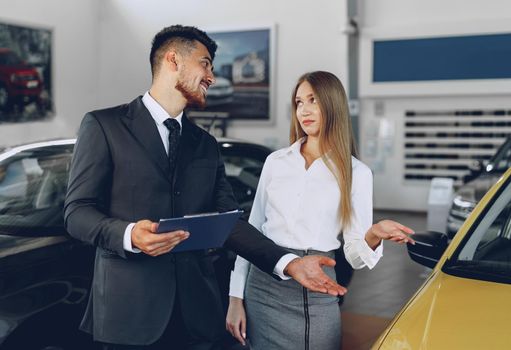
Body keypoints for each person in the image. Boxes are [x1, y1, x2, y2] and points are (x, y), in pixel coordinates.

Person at [64, 26, 348, 350]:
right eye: (205, 63)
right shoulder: (105, 126)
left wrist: (288, 262)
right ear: (173, 60)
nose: (211, 76)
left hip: (196, 317)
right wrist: (128, 234)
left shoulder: (206, 145)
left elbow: (230, 223)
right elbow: (77, 212)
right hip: (130, 315)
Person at [226, 71, 415, 350]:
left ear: (332, 104)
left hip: (316, 289)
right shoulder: (276, 162)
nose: (304, 110)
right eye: (299, 102)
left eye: (313, 100)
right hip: (262, 284)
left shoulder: (356, 173)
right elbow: (252, 233)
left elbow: (355, 256)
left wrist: (373, 233)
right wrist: (235, 298)